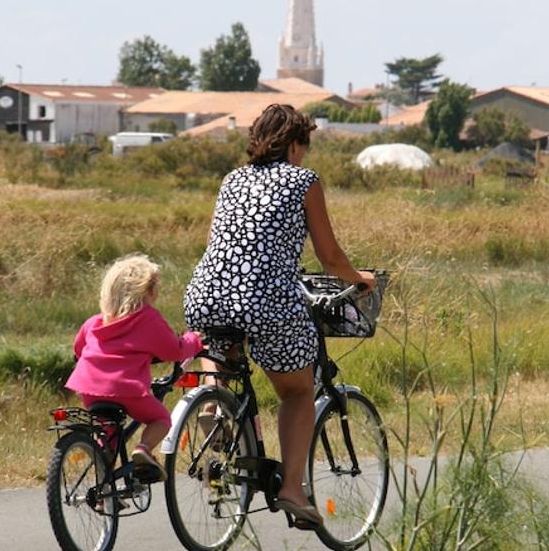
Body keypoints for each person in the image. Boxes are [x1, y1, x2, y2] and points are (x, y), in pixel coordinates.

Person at [184, 104, 375, 528]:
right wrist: (359, 279)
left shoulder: (232, 179)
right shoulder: (304, 181)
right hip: (265, 300)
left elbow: (227, 243)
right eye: (303, 146)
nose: (304, 155)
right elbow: (329, 256)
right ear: (293, 144)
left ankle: (215, 399)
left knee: (220, 343)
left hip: (207, 292)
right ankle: (291, 488)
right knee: (297, 392)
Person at [66, 254, 202, 481]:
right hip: (126, 389)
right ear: (147, 290)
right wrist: (194, 341)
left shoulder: (96, 321)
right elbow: (174, 350)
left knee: (107, 434)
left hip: (89, 390)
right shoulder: (147, 318)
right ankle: (144, 449)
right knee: (161, 420)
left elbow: (79, 349)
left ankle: (103, 486)